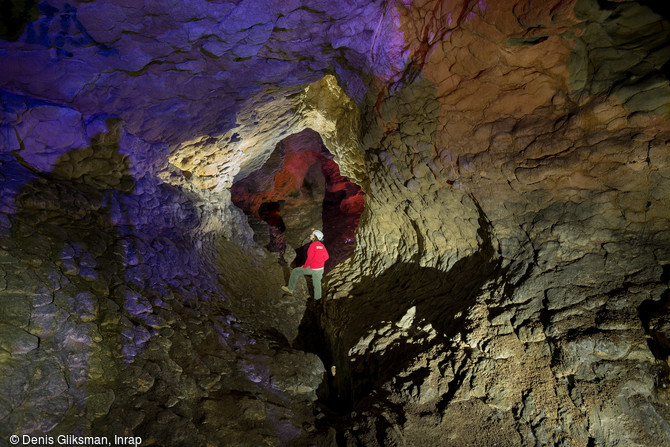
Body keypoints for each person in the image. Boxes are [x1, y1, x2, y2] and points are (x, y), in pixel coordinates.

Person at [281, 229, 329, 300]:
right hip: (320, 269)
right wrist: (319, 262)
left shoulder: (312, 245)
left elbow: (309, 259)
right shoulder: (322, 246)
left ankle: (290, 289)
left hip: (313, 268)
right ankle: (317, 299)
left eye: (312, 234)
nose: (310, 235)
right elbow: (326, 257)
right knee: (317, 284)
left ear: (315, 237)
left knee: (296, 271)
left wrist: (305, 266)